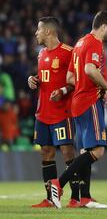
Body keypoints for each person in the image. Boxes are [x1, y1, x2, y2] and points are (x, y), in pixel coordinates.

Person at [47, 11, 107, 209]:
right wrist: (106, 86)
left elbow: (70, 77)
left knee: (87, 149)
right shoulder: (95, 43)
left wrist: (82, 86)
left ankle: (83, 197)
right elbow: (89, 70)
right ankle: (59, 184)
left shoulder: (79, 43)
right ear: (103, 26)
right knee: (98, 150)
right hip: (89, 101)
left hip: (77, 103)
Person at [27, 17, 79, 208]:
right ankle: (50, 198)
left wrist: (64, 91)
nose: (36, 33)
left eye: (38, 30)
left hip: (61, 112)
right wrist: (34, 80)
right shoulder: (41, 54)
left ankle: (76, 197)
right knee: (46, 153)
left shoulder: (68, 52)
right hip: (43, 113)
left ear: (48, 31)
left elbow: (77, 81)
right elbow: (44, 78)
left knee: (67, 153)